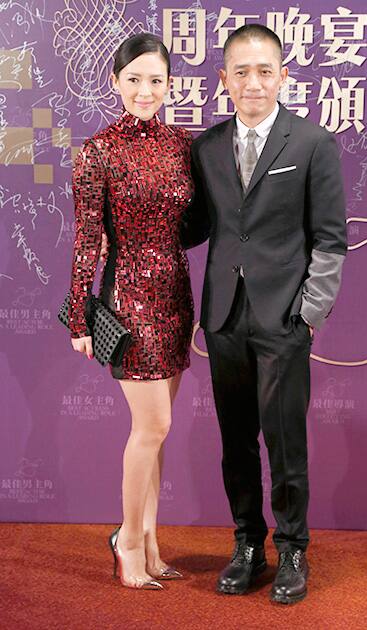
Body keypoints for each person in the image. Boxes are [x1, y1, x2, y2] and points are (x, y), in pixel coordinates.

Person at [181, 25, 347, 604]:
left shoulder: (312, 145)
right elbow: (196, 226)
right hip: (223, 317)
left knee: (284, 439)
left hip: (284, 318)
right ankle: (247, 545)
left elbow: (330, 239)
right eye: (241, 72)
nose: (253, 83)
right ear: (223, 79)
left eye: (265, 71)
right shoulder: (205, 148)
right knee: (235, 440)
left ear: (282, 76)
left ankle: (293, 547)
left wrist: (309, 314)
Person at [68, 33, 194, 589]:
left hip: (175, 293)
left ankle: (151, 538)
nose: (146, 90)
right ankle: (127, 542)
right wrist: (79, 315)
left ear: (170, 85)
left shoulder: (181, 144)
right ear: (115, 82)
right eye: (135, 79)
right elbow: (86, 240)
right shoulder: (97, 151)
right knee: (153, 424)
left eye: (157, 80)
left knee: (158, 432)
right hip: (129, 295)